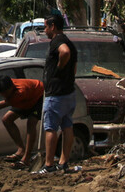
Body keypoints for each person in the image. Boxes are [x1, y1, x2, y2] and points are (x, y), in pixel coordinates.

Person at [36, 13, 78, 174]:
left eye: (46, 27)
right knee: (67, 126)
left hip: (56, 94)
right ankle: (63, 162)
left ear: (53, 26)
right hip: (69, 92)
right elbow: (74, 67)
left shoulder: (58, 42)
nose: (45, 30)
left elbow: (65, 52)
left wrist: (59, 69)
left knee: (50, 128)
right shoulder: (70, 42)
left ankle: (48, 165)